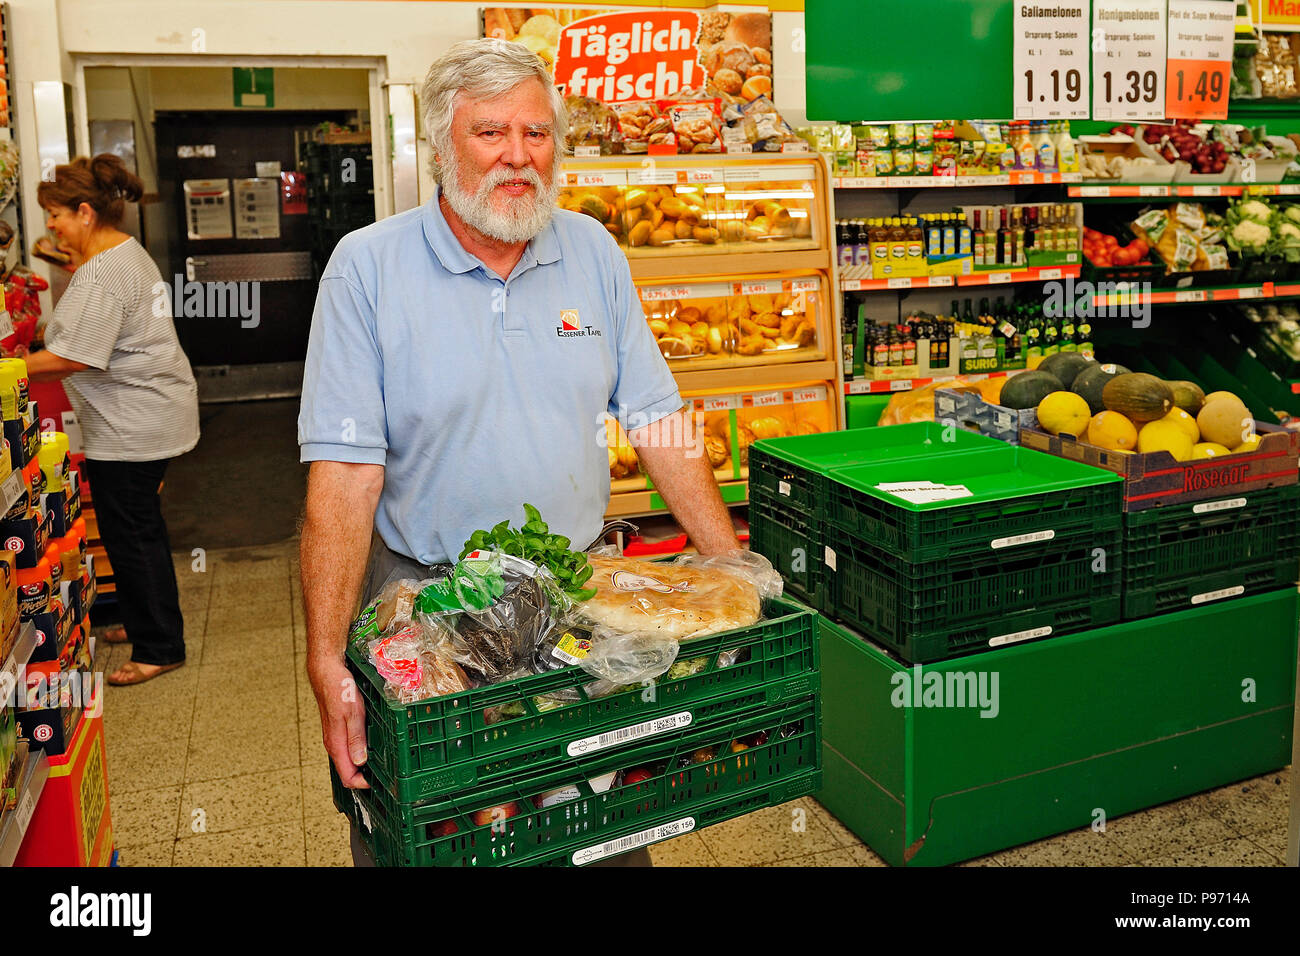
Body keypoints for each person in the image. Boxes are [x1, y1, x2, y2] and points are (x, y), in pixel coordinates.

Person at [299, 38, 740, 867]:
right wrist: (327, 660)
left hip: (575, 600)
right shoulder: (366, 269)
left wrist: (728, 565)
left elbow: (657, 419)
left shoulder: (593, 251)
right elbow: (345, 475)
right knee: (444, 830)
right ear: (440, 148)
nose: (518, 158)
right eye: (491, 134)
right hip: (425, 612)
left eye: (537, 135)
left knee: (596, 829)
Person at [31, 154, 200, 686]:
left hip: (134, 426)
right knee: (135, 526)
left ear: (85, 211)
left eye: (56, 214)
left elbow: (74, 356)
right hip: (149, 414)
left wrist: (11, 364)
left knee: (132, 533)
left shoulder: (102, 274)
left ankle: (159, 646)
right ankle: (142, 618)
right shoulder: (121, 254)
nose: (51, 225)